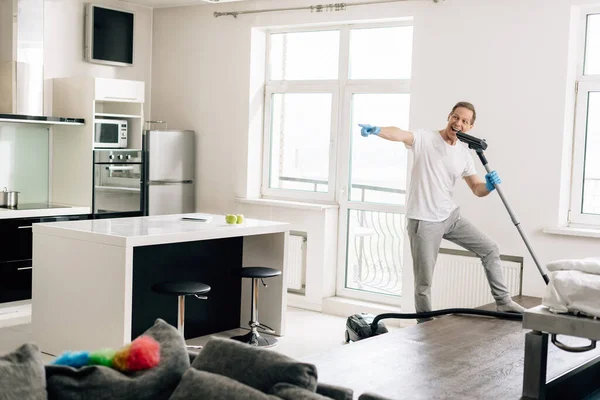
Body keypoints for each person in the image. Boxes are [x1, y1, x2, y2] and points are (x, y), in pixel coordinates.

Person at [359, 101, 525, 321]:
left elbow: (476, 189)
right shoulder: (425, 138)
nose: (458, 123)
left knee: (490, 249)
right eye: (455, 117)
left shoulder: (465, 154)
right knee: (424, 282)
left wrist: (489, 186)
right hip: (424, 220)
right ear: (449, 117)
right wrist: (378, 130)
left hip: (450, 217)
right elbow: (400, 134)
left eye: (464, 121)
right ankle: (425, 324)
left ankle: (503, 302)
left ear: (470, 127)